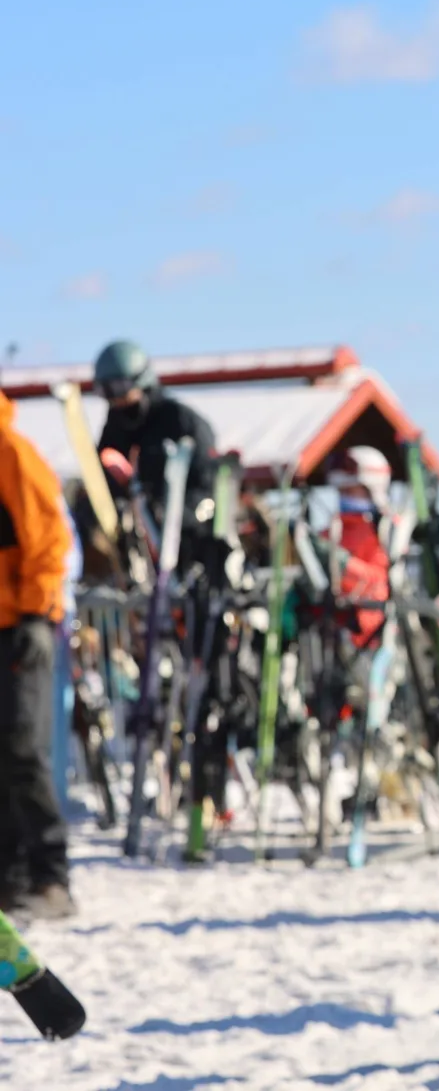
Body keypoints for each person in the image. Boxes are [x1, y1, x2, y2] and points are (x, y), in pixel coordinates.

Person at [0, 394, 73, 921]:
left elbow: (48, 536)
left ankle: (51, 877)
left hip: (20, 625)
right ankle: (10, 880)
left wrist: (35, 613)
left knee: (23, 747)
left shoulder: (11, 451)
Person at [91, 341, 218, 570]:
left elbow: (207, 482)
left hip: (187, 540)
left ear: (141, 380)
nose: (113, 399)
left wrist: (179, 516)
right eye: (105, 390)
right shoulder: (116, 427)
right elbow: (104, 476)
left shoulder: (180, 420)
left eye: (118, 387)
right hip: (139, 544)